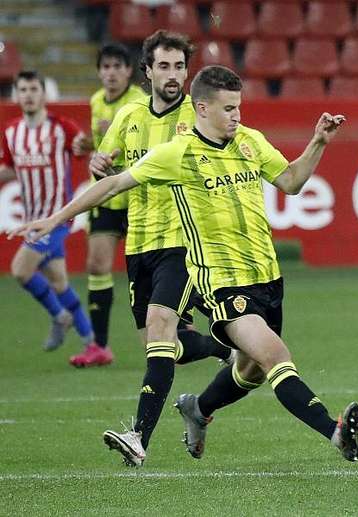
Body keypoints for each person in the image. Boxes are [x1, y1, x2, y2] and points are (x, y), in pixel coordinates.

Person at [14, 65, 358, 466]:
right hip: (222, 285)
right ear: (202, 108)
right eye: (229, 108)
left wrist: (318, 143)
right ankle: (337, 433)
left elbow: (291, 181)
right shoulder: (178, 154)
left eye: (239, 107)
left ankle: (197, 409)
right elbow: (112, 184)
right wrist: (55, 219)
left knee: (249, 372)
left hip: (268, 280)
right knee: (276, 356)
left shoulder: (250, 141)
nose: (237, 115)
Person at [87, 30, 227, 465]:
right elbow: (106, 166)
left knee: (163, 326)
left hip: (183, 242)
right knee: (163, 345)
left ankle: (139, 438)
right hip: (140, 243)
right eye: (163, 66)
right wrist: (97, 163)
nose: (172, 75)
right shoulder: (128, 115)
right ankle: (227, 349)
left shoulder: (198, 113)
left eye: (179, 66)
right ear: (146, 71)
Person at [0, 70, 95, 352]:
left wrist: (87, 142)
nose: (28, 95)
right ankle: (93, 343)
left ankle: (59, 316)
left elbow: (83, 147)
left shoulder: (60, 127)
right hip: (32, 220)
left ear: (43, 94)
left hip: (56, 219)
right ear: (17, 94)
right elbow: (9, 170)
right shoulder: (11, 132)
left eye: (33, 89)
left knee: (20, 269)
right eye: (23, 90)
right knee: (59, 281)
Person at [69, 43, 147, 368]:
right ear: (100, 71)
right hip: (107, 195)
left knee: (154, 269)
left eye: (118, 66)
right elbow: (100, 143)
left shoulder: (140, 103)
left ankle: (182, 325)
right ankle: (100, 346)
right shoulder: (96, 101)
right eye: (106, 67)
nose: (111, 72)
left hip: (140, 196)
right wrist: (84, 143)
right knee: (97, 266)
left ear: (129, 71)